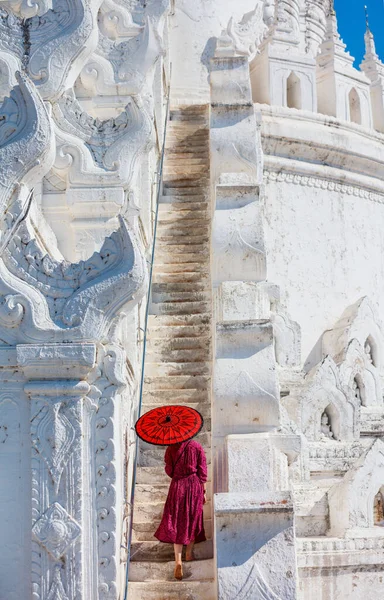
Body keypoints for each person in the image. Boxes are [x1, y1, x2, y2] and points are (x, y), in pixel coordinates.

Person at [154, 438, 207, 580]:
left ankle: (178, 560)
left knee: (177, 521)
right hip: (194, 485)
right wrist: (203, 491)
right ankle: (189, 553)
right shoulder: (197, 446)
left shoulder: (171, 448)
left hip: (177, 485)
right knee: (193, 519)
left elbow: (169, 470)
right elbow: (202, 470)